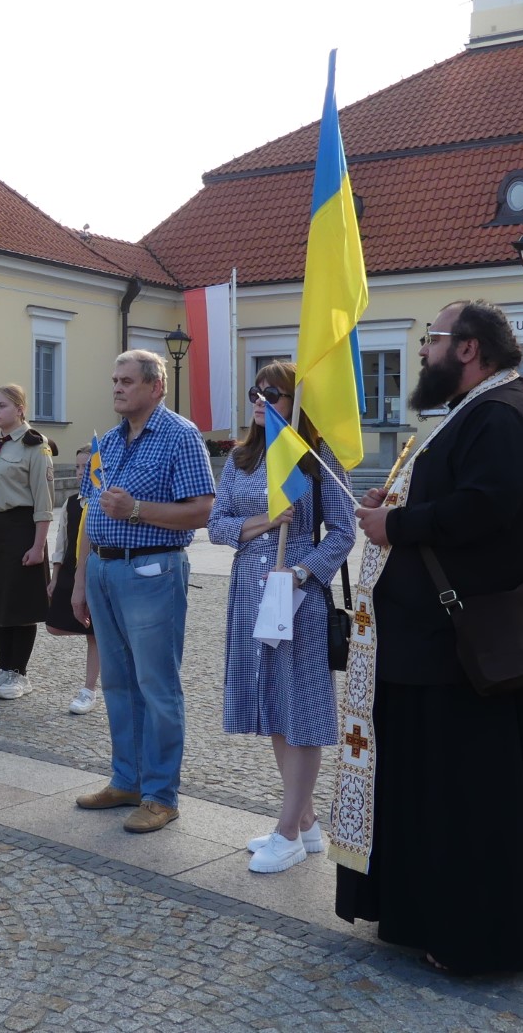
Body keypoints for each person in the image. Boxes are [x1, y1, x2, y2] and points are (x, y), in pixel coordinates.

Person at [335, 299, 523, 974]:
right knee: (435, 789)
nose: (422, 351)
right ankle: (422, 917)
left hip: (464, 650)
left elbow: (483, 509)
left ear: (468, 348)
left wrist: (397, 526)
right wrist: (394, 507)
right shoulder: (475, 410)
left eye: (431, 338)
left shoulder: (502, 413)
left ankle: (474, 937)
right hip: (433, 646)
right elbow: (453, 498)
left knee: (469, 797)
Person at [207, 361, 354, 872]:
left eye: (274, 393)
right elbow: (217, 526)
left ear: (297, 402)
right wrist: (265, 520)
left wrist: (302, 572)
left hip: (298, 597)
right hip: (250, 593)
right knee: (274, 707)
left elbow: (343, 532)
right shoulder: (241, 457)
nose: (261, 400)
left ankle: (288, 832)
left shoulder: (317, 459)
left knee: (302, 713)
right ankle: (307, 824)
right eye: (257, 391)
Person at [71, 350, 215, 833]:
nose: (117, 388)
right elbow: (92, 511)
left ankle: (160, 795)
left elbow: (203, 510)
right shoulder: (109, 441)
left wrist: (136, 510)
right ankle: (127, 780)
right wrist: (80, 579)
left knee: (157, 685)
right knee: (117, 683)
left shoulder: (181, 435)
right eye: (114, 380)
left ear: (156, 387)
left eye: (127, 381)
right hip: (104, 569)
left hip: (152, 569)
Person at [0, 385, 54, 700]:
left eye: (2, 405)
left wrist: (38, 545)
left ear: (20, 408)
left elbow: (44, 501)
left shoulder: (36, 446)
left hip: (20, 529)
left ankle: (19, 673)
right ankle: (3, 668)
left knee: (20, 603)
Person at [46, 442, 101, 715]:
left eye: (86, 467)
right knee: (54, 625)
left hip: (97, 571)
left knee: (95, 635)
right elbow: (61, 542)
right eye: (78, 466)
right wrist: (55, 577)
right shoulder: (71, 502)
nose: (80, 472)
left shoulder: (102, 501)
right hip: (70, 569)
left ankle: (89, 688)